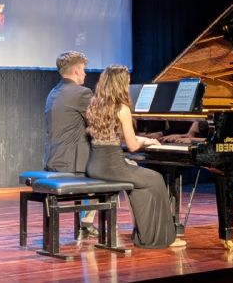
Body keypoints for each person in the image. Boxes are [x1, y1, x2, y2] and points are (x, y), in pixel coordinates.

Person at [85, 65, 186, 249]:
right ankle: (159, 238)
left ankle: (146, 234)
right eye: (127, 83)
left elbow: (115, 138)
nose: (128, 87)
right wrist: (147, 142)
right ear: (119, 84)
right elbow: (132, 146)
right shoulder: (122, 109)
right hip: (113, 167)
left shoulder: (94, 105)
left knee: (143, 183)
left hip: (95, 166)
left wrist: (145, 139)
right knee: (156, 179)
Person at [44, 51, 97, 237]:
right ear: (76, 71)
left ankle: (87, 223)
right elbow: (100, 124)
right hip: (71, 164)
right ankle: (89, 223)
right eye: (83, 70)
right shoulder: (82, 93)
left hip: (53, 159)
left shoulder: (53, 92)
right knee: (110, 171)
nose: (85, 74)